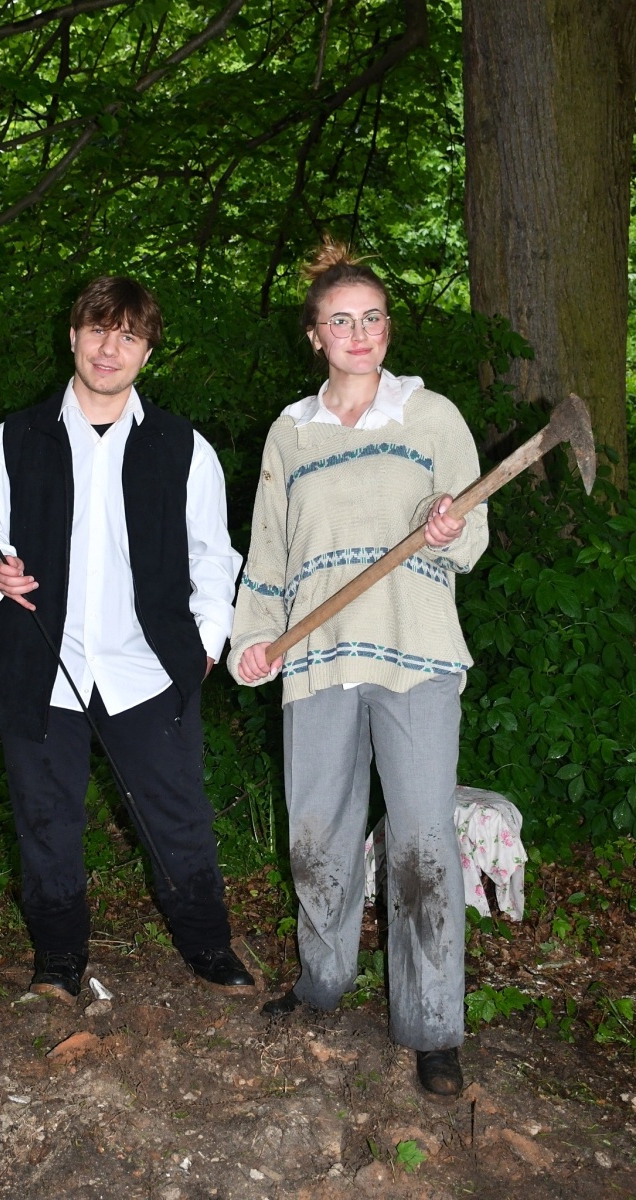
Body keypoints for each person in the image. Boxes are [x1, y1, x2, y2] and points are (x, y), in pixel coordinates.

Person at [227, 239, 489, 1096]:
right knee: (317, 835)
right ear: (314, 336)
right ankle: (322, 983)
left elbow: (472, 538)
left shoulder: (431, 416)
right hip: (315, 659)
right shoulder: (291, 434)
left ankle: (432, 1026)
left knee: (422, 844)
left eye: (372, 317)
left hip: (417, 652)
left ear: (387, 328)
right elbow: (270, 550)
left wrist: (447, 527)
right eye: (340, 320)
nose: (360, 332)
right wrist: (254, 636)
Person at [0, 274, 254, 1003]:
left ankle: (209, 947)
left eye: (128, 335)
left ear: (147, 351)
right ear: (73, 336)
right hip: (39, 665)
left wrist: (207, 643)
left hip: (146, 667)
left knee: (177, 818)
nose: (109, 348)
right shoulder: (13, 439)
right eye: (97, 329)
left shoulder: (183, 447)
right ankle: (57, 962)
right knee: (46, 821)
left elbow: (214, 556)